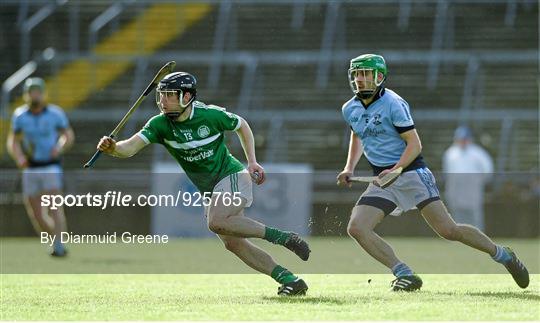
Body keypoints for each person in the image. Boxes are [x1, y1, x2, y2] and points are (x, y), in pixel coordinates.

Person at [96, 72, 310, 296]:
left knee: (216, 221)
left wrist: (252, 161)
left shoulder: (210, 115)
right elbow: (128, 148)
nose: (162, 101)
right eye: (161, 96)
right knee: (233, 244)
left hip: (232, 175)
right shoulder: (159, 124)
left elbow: (241, 124)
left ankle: (284, 237)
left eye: (169, 95)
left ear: (187, 97)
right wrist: (113, 148)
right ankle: (290, 280)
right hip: (210, 190)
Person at [336, 54, 529, 291]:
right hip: (383, 179)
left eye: (365, 73)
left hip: (411, 173)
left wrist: (396, 170)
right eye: (356, 74)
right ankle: (404, 273)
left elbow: (414, 144)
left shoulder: (393, 103)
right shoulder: (350, 108)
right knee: (357, 227)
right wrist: (349, 167)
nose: (360, 79)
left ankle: (503, 254)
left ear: (379, 76)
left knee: (449, 230)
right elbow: (358, 133)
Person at [7, 77, 75, 257]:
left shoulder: (55, 114)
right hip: (30, 168)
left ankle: (58, 245)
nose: (34, 95)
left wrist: (59, 147)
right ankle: (56, 239)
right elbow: (13, 141)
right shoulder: (20, 115)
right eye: (31, 91)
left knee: (54, 207)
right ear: (26, 95)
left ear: (43, 93)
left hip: (50, 167)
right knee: (36, 213)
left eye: (37, 91)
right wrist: (19, 157)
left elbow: (67, 135)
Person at [442, 126, 494, 231]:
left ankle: (479, 236)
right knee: (455, 211)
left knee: (474, 212)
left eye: (464, 139)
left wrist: (478, 181)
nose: (462, 141)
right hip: (455, 185)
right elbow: (447, 171)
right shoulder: (450, 153)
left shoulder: (478, 153)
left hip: (472, 186)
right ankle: (457, 236)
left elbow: (488, 170)